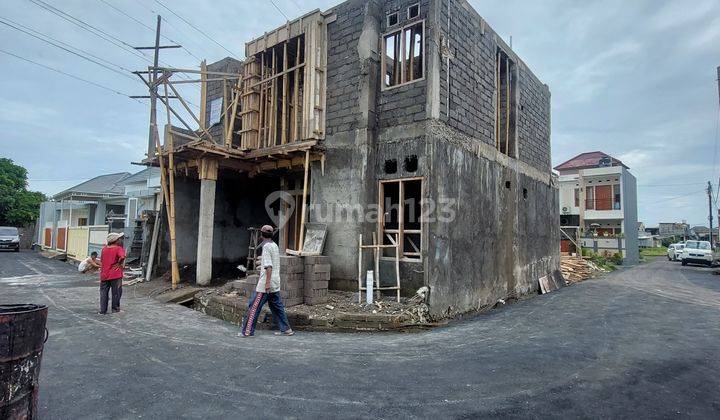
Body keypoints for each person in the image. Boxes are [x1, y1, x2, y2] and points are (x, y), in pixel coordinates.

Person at [241, 225, 294, 337]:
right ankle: (286, 329)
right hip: (276, 282)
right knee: (277, 307)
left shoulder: (266, 247)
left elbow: (268, 266)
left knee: (254, 306)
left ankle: (247, 331)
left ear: (261, 235)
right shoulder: (274, 245)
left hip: (266, 284)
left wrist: (267, 283)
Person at [98, 232, 125, 314]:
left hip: (104, 274)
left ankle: (103, 310)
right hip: (115, 274)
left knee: (103, 293)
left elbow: (102, 260)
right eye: (119, 239)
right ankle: (115, 309)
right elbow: (122, 256)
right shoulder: (118, 248)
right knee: (116, 292)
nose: (120, 240)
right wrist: (119, 264)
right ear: (116, 240)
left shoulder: (104, 249)